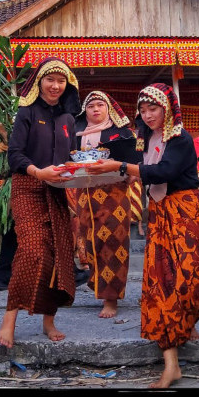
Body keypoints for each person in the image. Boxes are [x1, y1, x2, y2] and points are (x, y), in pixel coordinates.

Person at [89, 83, 199, 388]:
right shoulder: (145, 138)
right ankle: (171, 364)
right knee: (162, 282)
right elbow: (122, 157)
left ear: (168, 107)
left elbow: (163, 172)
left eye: (153, 109)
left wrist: (119, 166)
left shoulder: (180, 138)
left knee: (195, 278)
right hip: (158, 213)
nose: (147, 115)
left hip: (185, 211)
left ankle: (186, 321)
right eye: (143, 110)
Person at [0, 57, 80, 349]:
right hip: (28, 186)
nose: (56, 86)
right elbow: (15, 154)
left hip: (57, 190)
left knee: (58, 254)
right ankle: (10, 318)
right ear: (40, 82)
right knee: (32, 251)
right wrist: (37, 171)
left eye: (61, 81)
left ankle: (48, 319)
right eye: (50, 79)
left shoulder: (69, 118)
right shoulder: (27, 112)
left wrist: (78, 171)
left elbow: (71, 158)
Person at [74, 90, 138, 318]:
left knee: (112, 244)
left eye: (101, 105)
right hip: (84, 194)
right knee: (89, 244)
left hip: (114, 196)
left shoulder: (122, 134)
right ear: (85, 111)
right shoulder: (75, 133)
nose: (96, 109)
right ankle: (98, 286)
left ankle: (111, 299)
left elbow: (134, 162)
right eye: (91, 106)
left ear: (109, 109)